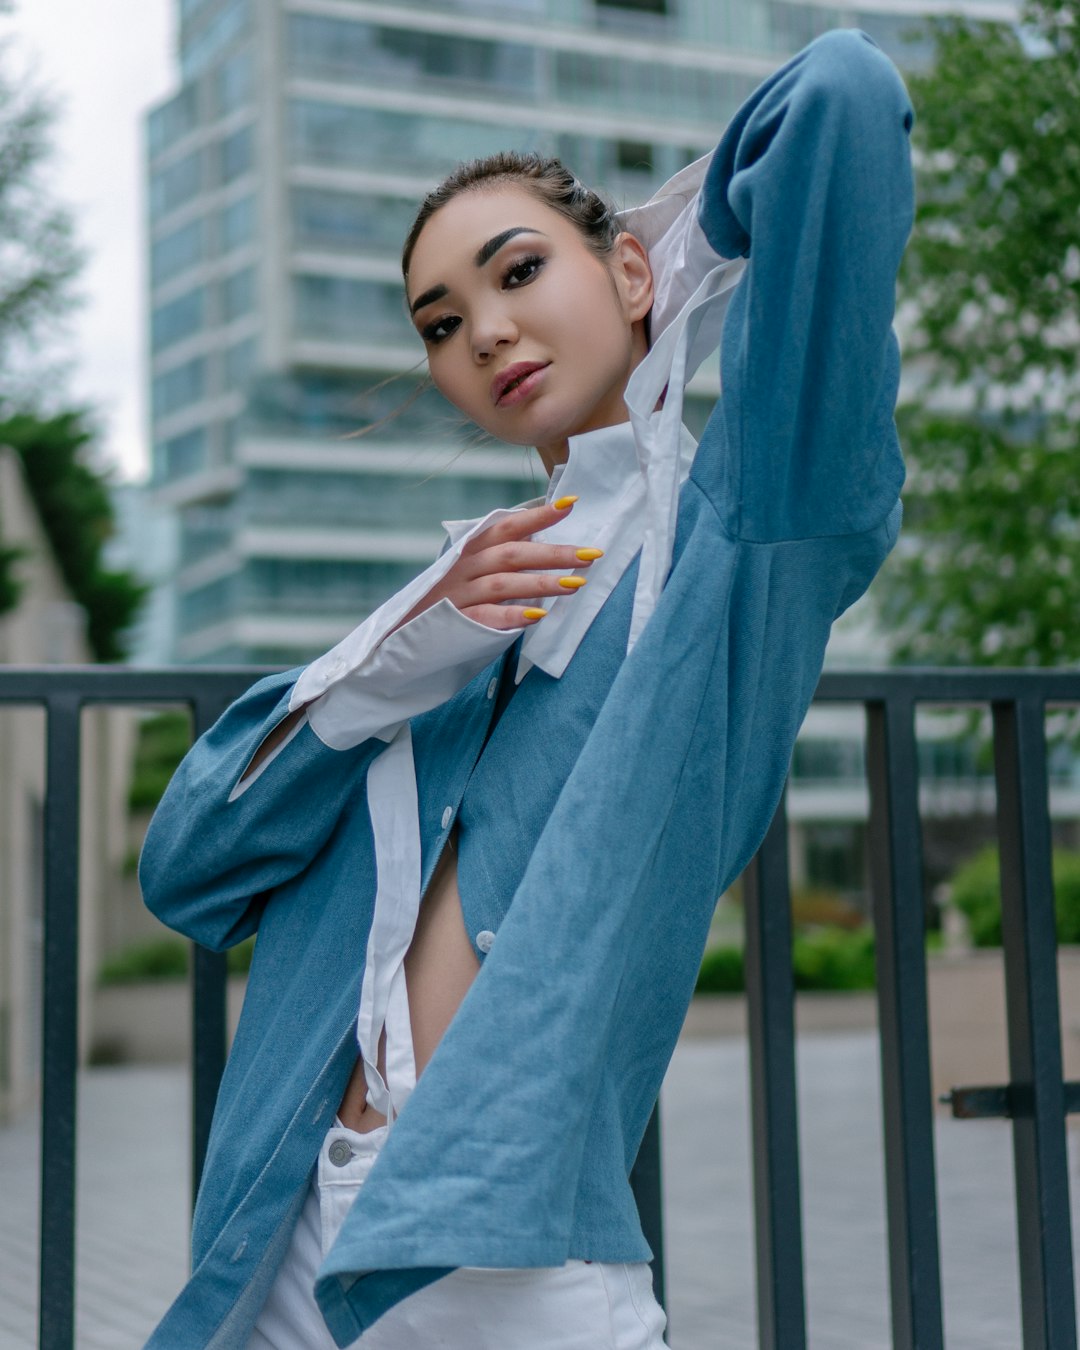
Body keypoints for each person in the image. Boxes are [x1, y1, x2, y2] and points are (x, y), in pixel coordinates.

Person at [140, 28, 914, 1350]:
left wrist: (677, 260)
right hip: (286, 1250)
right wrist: (386, 664)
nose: (485, 330)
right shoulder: (462, 608)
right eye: (442, 323)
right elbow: (187, 867)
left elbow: (844, 97)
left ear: (624, 270)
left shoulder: (733, 550)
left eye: (519, 272)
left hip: (510, 1255)